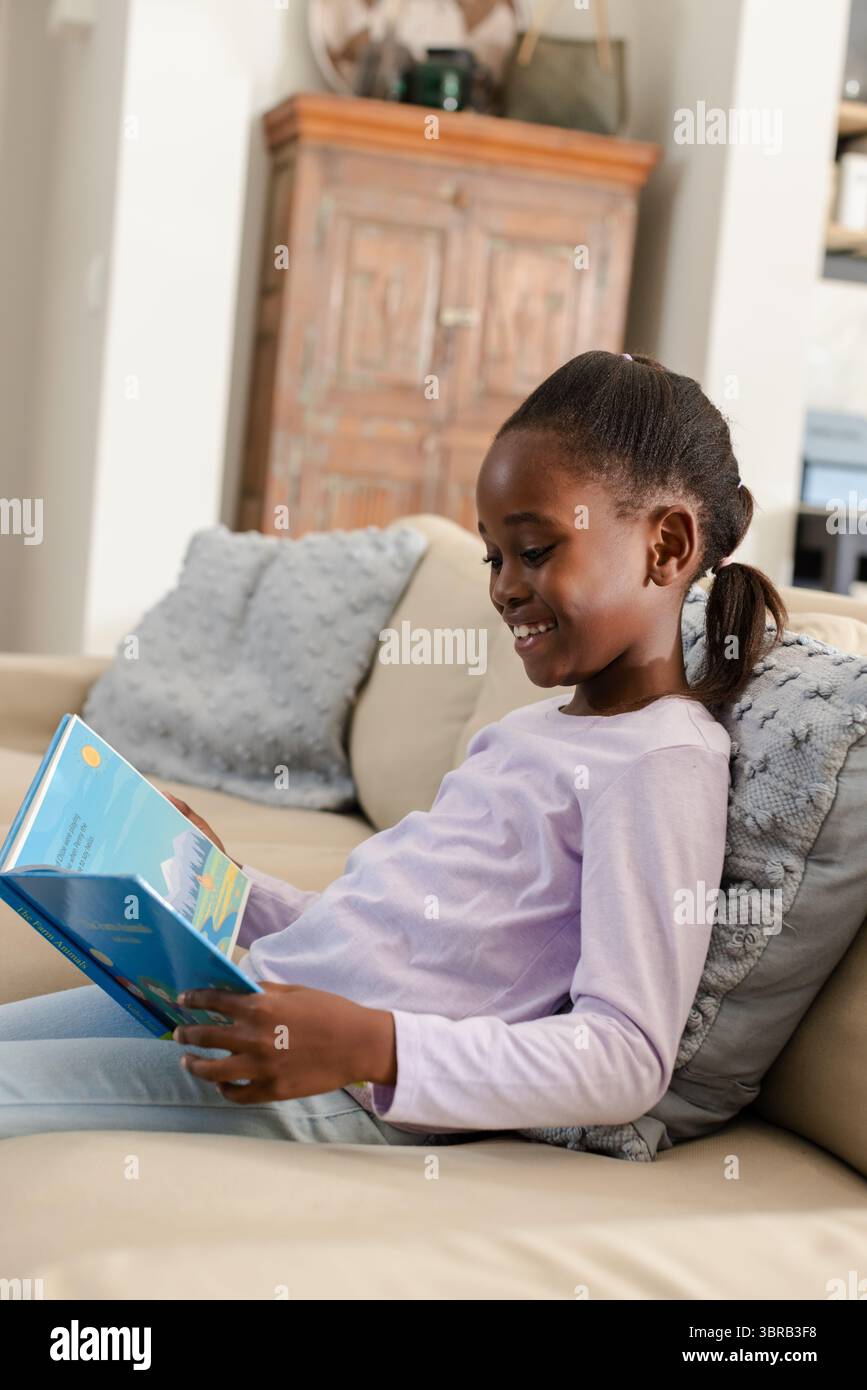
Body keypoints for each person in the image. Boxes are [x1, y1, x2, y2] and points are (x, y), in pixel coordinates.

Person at [0, 350, 786, 1148]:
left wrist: (371, 1046)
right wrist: (227, 890)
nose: (503, 587)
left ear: (667, 547)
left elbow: (624, 1057)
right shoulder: (531, 731)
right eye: (493, 556)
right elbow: (390, 938)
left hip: (337, 1084)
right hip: (263, 1001)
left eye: (536, 550)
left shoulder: (658, 763)